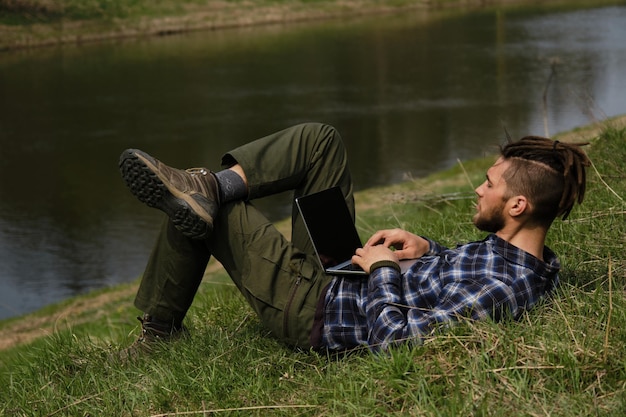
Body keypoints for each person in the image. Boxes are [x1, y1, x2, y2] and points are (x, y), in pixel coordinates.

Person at [118, 122, 590, 354]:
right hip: (343, 274)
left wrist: (382, 269)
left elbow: (399, 344)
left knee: (202, 213)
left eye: (489, 185)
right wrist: (426, 248)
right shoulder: (520, 256)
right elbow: (455, 279)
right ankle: (209, 184)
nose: (477, 188)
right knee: (320, 140)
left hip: (317, 310)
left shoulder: (502, 287)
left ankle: (159, 333)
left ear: (517, 207)